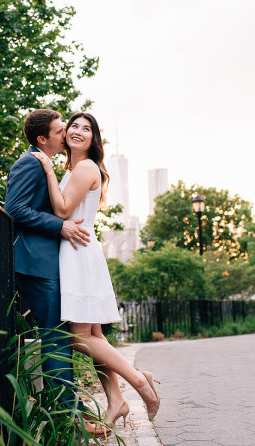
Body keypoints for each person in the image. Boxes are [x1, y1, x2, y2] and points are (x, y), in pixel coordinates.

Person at [31, 112, 160, 427]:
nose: (76, 131)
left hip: (78, 255)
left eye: (85, 129)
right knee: (95, 335)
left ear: (93, 139)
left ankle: (140, 382)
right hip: (81, 252)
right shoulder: (78, 168)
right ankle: (116, 400)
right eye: (73, 125)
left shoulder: (86, 166)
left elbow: (62, 209)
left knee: (79, 338)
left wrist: (47, 169)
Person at [3, 109, 91, 408]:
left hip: (45, 262)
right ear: (43, 139)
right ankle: (69, 414)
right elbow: (14, 209)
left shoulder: (47, 163)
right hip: (35, 263)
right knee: (55, 337)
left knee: (58, 336)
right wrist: (60, 225)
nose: (65, 133)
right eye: (59, 130)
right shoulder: (31, 162)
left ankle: (69, 409)